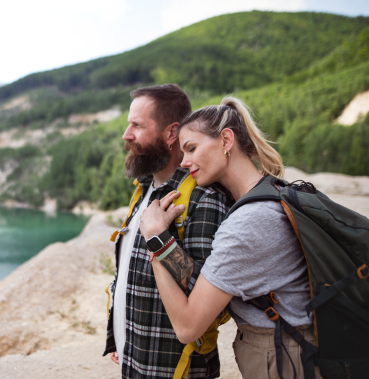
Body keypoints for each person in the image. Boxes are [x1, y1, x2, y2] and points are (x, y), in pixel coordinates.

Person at [139, 96, 320, 379]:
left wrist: (156, 238)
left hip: (286, 356)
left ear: (226, 140)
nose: (184, 162)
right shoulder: (273, 190)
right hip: (294, 347)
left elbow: (188, 327)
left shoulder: (248, 223)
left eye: (192, 148)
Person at [104, 84, 233, 378]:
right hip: (135, 363)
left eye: (137, 125)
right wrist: (120, 334)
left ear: (171, 133)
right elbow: (128, 273)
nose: (126, 135)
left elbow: (206, 297)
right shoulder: (144, 191)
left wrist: (161, 240)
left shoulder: (203, 198)